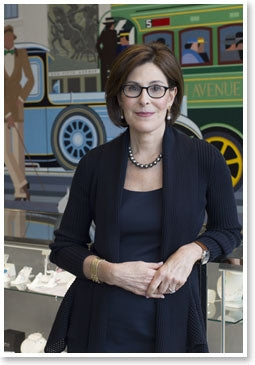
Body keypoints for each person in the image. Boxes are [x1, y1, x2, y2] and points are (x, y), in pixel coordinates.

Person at [45, 43, 242, 353]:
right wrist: (111, 272)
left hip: (174, 324)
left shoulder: (205, 159)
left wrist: (192, 251)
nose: (144, 99)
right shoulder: (94, 164)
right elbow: (63, 247)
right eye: (132, 88)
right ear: (119, 97)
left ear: (172, 95)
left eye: (156, 88)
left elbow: (229, 231)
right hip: (100, 324)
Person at [4, 24, 34, 200]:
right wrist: (7, 114)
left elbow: (30, 79)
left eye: (9, 38)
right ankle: (21, 181)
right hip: (3, 109)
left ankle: (20, 192)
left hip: (17, 106)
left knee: (17, 153)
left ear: (12, 39)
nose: (6, 41)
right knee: (5, 151)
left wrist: (21, 98)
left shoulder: (21, 54)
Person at [96, 17, 117, 91]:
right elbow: (115, 45)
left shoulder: (103, 33)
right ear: (111, 25)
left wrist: (101, 54)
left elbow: (97, 45)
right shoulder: (114, 32)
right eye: (113, 25)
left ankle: (104, 89)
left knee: (104, 74)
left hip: (104, 56)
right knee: (113, 73)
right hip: (112, 56)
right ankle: (113, 88)